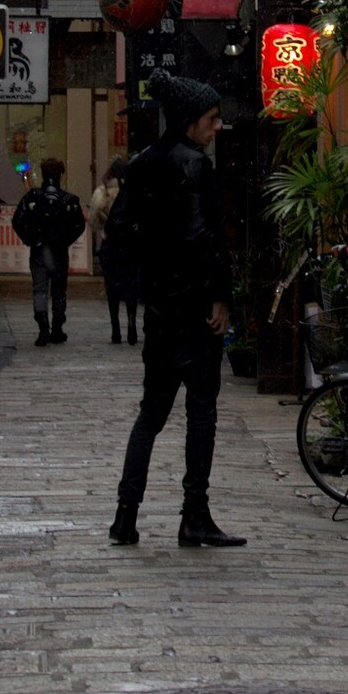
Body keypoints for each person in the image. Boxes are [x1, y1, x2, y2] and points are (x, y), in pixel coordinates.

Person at [109, 74, 245, 549]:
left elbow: (119, 229)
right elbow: (204, 238)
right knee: (201, 411)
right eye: (211, 120)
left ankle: (126, 516)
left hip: (162, 308)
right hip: (194, 308)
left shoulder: (143, 163)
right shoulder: (195, 167)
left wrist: (148, 271)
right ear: (191, 121)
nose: (216, 128)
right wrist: (220, 297)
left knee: (151, 413)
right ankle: (194, 514)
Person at [12, 157, 86, 347]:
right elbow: (79, 225)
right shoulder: (68, 199)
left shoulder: (33, 197)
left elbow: (17, 220)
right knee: (59, 291)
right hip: (59, 251)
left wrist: (31, 239)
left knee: (40, 290)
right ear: (60, 175)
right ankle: (57, 328)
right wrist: (65, 240)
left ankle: (43, 328)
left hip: (38, 250)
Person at [90, 155, 139, 347]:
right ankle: (132, 323)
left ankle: (116, 329)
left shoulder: (103, 193)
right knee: (131, 286)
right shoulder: (134, 192)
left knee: (112, 287)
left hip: (110, 245)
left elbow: (93, 220)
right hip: (131, 246)